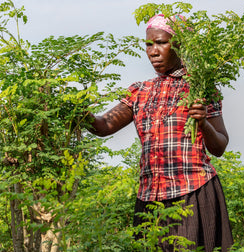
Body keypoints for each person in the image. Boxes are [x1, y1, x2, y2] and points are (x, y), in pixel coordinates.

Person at [88, 14, 233, 251]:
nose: (153, 51)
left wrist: (203, 123)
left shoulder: (201, 87)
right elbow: (104, 126)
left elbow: (220, 146)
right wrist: (78, 113)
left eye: (162, 43)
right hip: (150, 199)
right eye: (148, 44)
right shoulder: (139, 91)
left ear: (180, 45)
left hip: (193, 194)